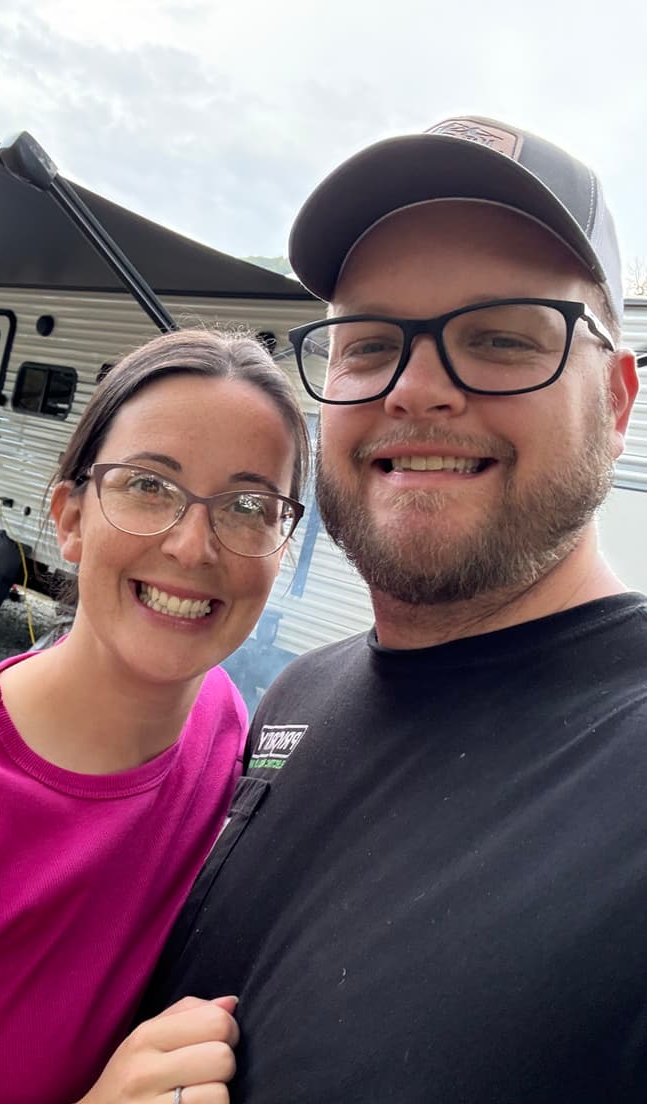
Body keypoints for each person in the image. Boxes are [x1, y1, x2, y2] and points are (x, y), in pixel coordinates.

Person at [140, 117, 647, 1101]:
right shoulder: (297, 699)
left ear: (618, 402)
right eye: (369, 344)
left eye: (501, 338)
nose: (415, 391)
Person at [0, 327, 309, 1104]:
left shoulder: (221, 722)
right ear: (71, 518)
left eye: (249, 505)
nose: (193, 546)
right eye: (149, 485)